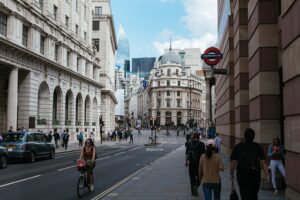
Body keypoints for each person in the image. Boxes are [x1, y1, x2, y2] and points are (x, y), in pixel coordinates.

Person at [230, 128, 270, 200]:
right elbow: (263, 161)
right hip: (255, 175)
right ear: (253, 137)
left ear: (244, 136)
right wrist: (267, 174)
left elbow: (233, 161)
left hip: (242, 175)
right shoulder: (258, 147)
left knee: (244, 195)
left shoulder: (238, 147)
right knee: (254, 195)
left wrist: (231, 173)